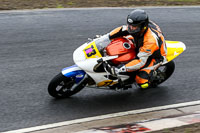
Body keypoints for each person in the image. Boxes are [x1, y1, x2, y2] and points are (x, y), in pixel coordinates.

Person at [107, 9, 167, 89]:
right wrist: (106, 37)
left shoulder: (150, 41)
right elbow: (121, 29)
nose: (131, 28)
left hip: (154, 56)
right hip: (141, 44)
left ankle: (149, 78)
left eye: (134, 27)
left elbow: (140, 61)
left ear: (143, 26)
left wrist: (120, 69)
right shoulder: (137, 26)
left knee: (141, 81)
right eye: (130, 25)